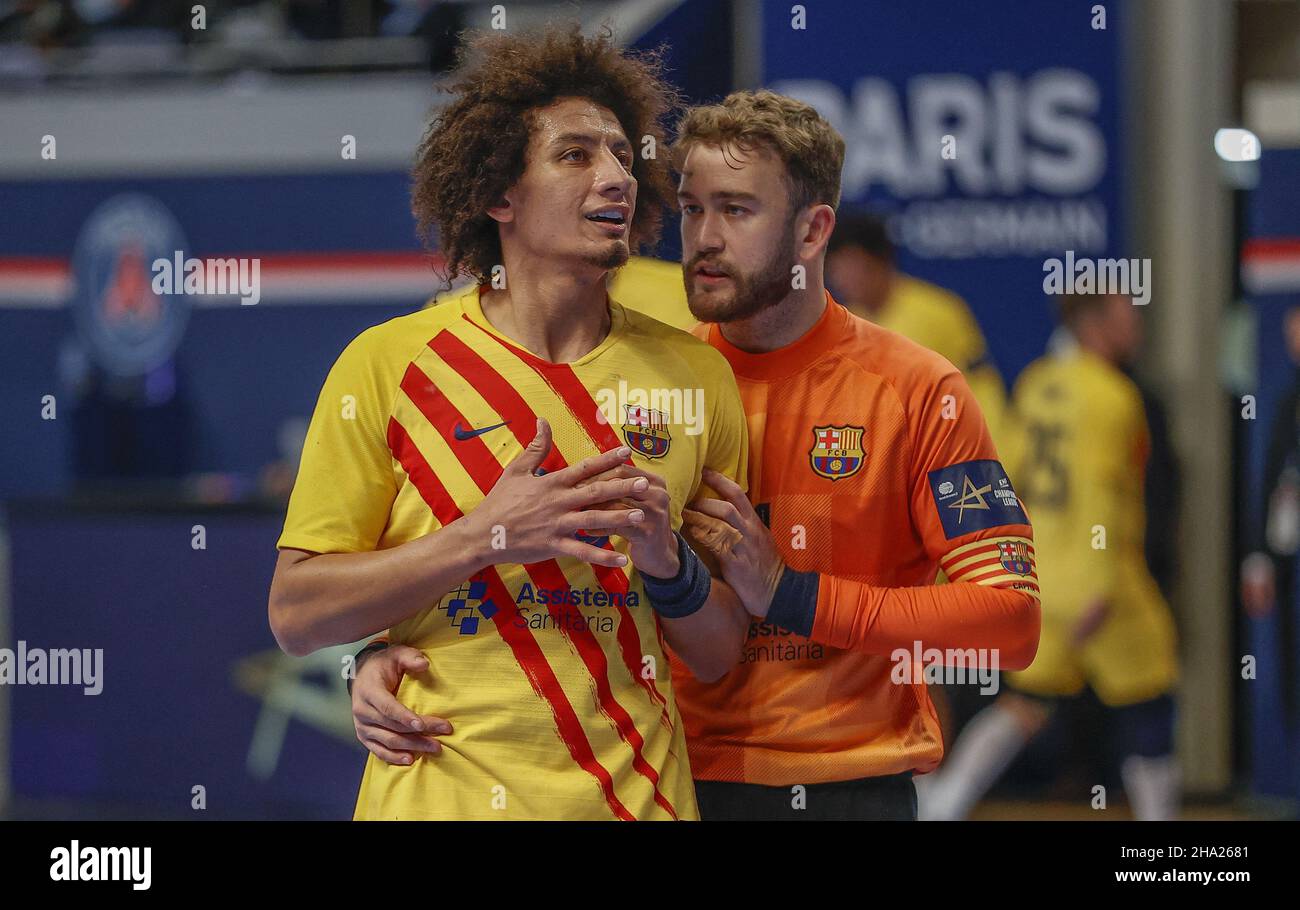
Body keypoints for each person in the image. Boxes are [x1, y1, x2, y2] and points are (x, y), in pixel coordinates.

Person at [353, 89, 1040, 820]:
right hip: (663, 786)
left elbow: (1009, 622)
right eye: (691, 209)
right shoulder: (639, 374)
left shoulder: (917, 388)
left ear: (813, 232)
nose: (704, 238)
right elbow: (521, 569)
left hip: (851, 789)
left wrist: (791, 595)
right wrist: (368, 656)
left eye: (736, 210)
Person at [269, 25, 752, 821]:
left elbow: (721, 650)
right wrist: (486, 535)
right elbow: (296, 614)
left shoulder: (696, 375)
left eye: (623, 156)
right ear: (499, 195)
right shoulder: (390, 364)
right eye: (575, 156)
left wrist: (670, 568)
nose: (615, 177)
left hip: (636, 802)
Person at [918, 292, 1180, 821]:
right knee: (1150, 699)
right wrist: (1099, 584)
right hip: (1100, 582)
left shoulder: (1037, 382)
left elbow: (1003, 473)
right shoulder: (1112, 395)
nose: (1138, 325)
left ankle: (943, 804)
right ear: (1093, 324)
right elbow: (1101, 493)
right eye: (1127, 315)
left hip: (1040, 575)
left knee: (1027, 702)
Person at [826, 212, 1008, 445]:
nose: (841, 278)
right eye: (833, 268)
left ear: (879, 261)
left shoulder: (938, 312)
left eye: (849, 266)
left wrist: (984, 457)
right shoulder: (843, 324)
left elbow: (982, 389)